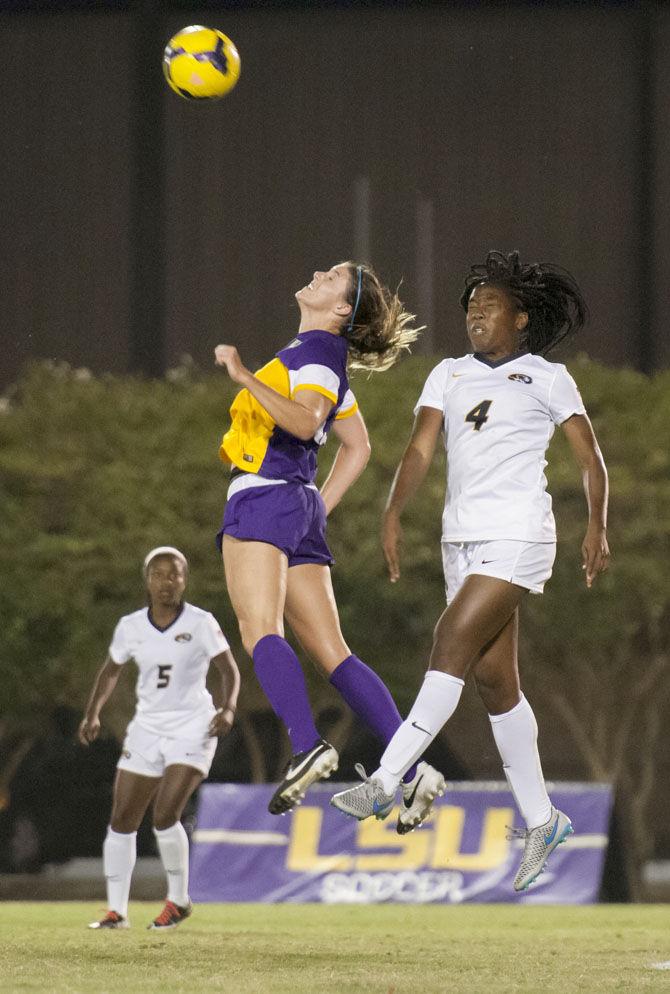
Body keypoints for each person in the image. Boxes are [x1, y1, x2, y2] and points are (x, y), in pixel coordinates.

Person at [331, 250, 610, 891]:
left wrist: (597, 523)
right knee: (493, 685)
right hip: (461, 539)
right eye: (470, 306)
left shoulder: (547, 376)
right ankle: (542, 819)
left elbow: (590, 458)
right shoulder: (448, 375)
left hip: (519, 536)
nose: (475, 313)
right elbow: (421, 448)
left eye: (489, 306)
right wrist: (394, 510)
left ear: (519, 319)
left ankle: (385, 779)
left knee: (448, 644)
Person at [213, 261, 445, 832]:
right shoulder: (317, 352)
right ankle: (413, 775)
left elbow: (305, 421)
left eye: (334, 275)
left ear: (342, 309)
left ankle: (308, 746)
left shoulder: (317, 350)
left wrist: (244, 375)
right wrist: (319, 504)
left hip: (264, 498)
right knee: (334, 655)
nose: (319, 272)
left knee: (259, 631)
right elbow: (358, 445)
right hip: (294, 505)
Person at [79, 546, 240, 929]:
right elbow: (110, 671)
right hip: (147, 727)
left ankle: (178, 900)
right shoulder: (131, 626)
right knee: (121, 820)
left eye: (175, 575)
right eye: (159, 574)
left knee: (166, 814)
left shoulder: (201, 622)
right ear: (146, 580)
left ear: (185, 580)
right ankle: (116, 912)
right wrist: (93, 712)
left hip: (193, 725)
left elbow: (229, 670)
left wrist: (228, 707)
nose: (167, 582)